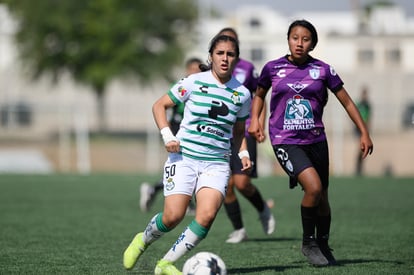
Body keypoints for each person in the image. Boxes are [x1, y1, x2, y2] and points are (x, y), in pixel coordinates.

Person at [123, 34, 252, 274]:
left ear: (236, 58)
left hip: (217, 163)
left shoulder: (243, 94)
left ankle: (166, 263)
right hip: (184, 158)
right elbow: (159, 105)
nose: (225, 58)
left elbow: (239, 131)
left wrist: (243, 151)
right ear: (211, 55)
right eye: (220, 53)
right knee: (173, 216)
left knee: (206, 215)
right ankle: (142, 240)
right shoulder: (193, 81)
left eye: (230, 54)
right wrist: (168, 137)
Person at [248, 19, 373, 266]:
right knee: (313, 188)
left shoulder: (323, 70)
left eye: (305, 39)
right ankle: (308, 243)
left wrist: (364, 132)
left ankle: (324, 244)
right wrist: (255, 121)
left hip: (316, 140)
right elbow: (259, 95)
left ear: (312, 44)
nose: (299, 43)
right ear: (288, 39)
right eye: (295, 37)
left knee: (323, 197)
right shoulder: (273, 68)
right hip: (285, 140)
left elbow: (347, 102)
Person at [216, 27, 275, 244]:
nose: (226, 52)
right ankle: (239, 229)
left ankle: (262, 209)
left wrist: (260, 124)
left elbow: (261, 96)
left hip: (244, 131)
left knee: (241, 182)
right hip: (221, 134)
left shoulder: (248, 69)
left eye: (232, 43)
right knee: (226, 185)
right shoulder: (212, 72)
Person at [140, 57, 202, 213]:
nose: (195, 72)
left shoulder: (202, 87)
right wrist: (167, 132)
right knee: (184, 165)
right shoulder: (183, 85)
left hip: (194, 131)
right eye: (192, 69)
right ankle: (162, 193)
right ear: (187, 70)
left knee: (189, 166)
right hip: (178, 129)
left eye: (198, 70)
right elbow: (162, 105)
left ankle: (155, 190)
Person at [354, 86, 372, 176]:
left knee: (362, 149)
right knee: (360, 148)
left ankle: (360, 168)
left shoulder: (368, 105)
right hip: (358, 128)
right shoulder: (359, 104)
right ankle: (358, 168)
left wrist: (368, 127)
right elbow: (353, 114)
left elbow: (369, 117)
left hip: (365, 129)